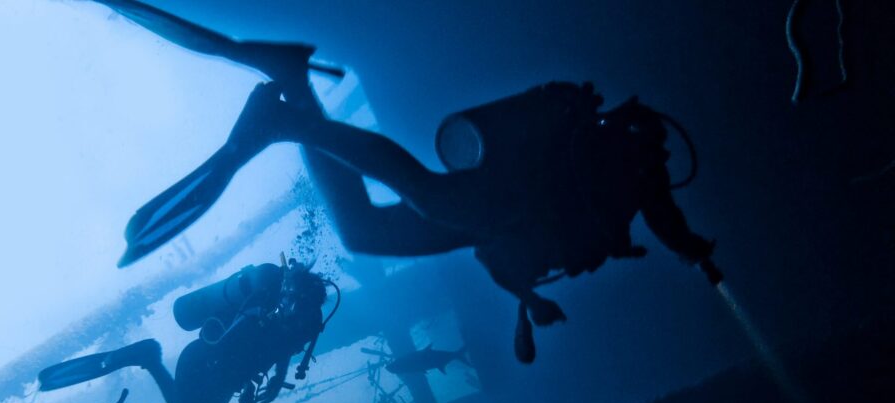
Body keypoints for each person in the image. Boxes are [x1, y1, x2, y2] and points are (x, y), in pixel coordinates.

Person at [97, 0, 722, 363]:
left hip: (496, 219)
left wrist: (528, 303)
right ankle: (287, 121)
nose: (661, 154)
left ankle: (293, 82)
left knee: (363, 231)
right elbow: (666, 215)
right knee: (425, 189)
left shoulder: (630, 178)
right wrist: (691, 249)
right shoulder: (637, 169)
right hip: (507, 194)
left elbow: (505, 255)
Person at [25, 259, 337, 403]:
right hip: (202, 361)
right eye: (290, 303)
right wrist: (245, 384)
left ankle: (135, 386)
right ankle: (142, 369)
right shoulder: (262, 309)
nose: (291, 311)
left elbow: (281, 348)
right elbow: (232, 347)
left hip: (224, 377)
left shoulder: (299, 324)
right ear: (287, 293)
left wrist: (276, 376)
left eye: (299, 309)